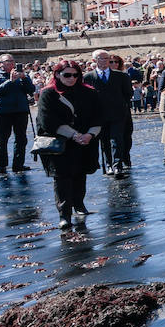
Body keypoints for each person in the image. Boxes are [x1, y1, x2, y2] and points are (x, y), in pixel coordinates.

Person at [34, 61, 101, 226]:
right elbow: (47, 121)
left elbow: (99, 116)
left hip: (85, 140)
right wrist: (74, 135)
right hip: (61, 141)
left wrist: (90, 134)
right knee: (62, 177)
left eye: (75, 75)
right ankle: (64, 214)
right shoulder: (48, 93)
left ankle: (78, 204)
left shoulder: (89, 92)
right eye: (67, 75)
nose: (72, 78)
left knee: (80, 174)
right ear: (57, 74)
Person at [84, 49, 132, 177]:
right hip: (99, 116)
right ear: (94, 60)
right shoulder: (88, 77)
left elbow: (128, 93)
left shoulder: (121, 76)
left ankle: (118, 166)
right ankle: (109, 164)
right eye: (102, 58)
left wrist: (120, 105)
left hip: (117, 114)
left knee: (117, 140)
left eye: (107, 58)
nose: (105, 61)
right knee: (104, 141)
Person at [0, 53, 35, 174]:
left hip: (20, 110)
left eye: (12, 60)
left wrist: (24, 78)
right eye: (8, 61)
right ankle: (2, 165)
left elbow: (31, 90)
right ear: (0, 64)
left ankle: (18, 164)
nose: (11, 63)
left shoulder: (23, 75)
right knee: (2, 140)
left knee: (21, 139)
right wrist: (10, 81)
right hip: (2, 111)